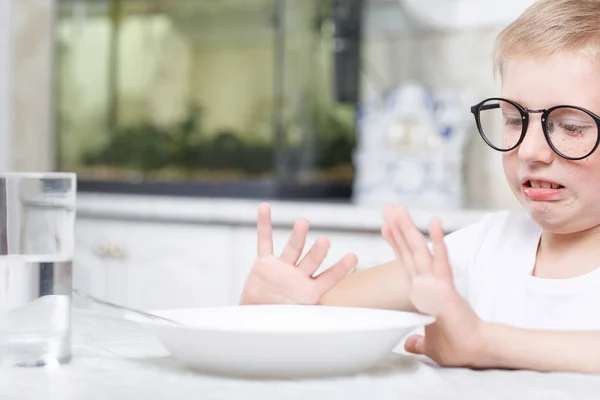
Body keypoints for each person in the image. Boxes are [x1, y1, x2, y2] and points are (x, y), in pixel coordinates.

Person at [240, 0, 600, 374]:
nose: (529, 150)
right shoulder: (484, 250)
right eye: (513, 119)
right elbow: (317, 306)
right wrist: (279, 305)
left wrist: (484, 343)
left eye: (572, 127)